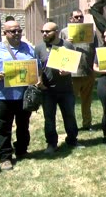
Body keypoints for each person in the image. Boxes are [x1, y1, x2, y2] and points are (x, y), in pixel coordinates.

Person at [0, 20, 36, 171]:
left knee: (23, 125)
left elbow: (36, 66)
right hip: (3, 96)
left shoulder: (28, 48)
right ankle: (5, 157)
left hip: (23, 96)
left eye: (19, 31)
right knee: (4, 127)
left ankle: (21, 150)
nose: (17, 34)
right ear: (5, 33)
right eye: (13, 31)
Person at [35, 22, 81, 153]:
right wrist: (39, 82)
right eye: (42, 31)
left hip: (66, 89)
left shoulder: (67, 45)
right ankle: (51, 143)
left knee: (70, 115)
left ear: (56, 31)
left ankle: (72, 140)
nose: (44, 33)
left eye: (47, 31)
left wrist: (68, 71)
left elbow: (74, 64)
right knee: (49, 118)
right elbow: (36, 67)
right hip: (47, 90)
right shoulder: (39, 48)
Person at [59, 9, 98, 131]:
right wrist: (65, 43)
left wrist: (95, 67)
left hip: (88, 72)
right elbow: (58, 51)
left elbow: (97, 50)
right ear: (71, 19)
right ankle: (72, 126)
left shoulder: (91, 32)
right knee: (71, 102)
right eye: (76, 17)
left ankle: (87, 124)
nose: (79, 19)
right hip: (72, 74)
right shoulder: (64, 32)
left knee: (87, 101)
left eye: (81, 17)